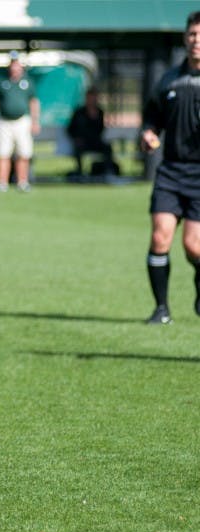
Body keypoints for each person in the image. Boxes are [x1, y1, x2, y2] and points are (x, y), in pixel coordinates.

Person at [141, 11, 200, 325]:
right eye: (192, 35)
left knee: (193, 245)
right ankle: (161, 308)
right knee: (160, 237)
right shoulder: (169, 79)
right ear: (185, 38)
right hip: (171, 171)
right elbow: (152, 118)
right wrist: (149, 134)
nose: (196, 41)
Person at [0, 54, 40, 192]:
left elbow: (34, 102)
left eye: (17, 64)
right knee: (3, 153)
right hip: (4, 122)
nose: (15, 67)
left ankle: (22, 182)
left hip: (22, 121)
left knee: (23, 153)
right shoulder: (1, 82)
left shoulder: (28, 82)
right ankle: (2, 183)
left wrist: (35, 121)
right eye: (13, 64)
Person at [66, 86, 114, 176]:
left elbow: (101, 129)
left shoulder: (99, 112)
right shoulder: (79, 112)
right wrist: (76, 138)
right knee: (78, 149)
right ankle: (80, 172)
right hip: (83, 142)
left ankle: (108, 171)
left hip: (95, 141)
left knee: (107, 147)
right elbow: (70, 129)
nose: (92, 100)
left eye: (94, 97)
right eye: (90, 97)